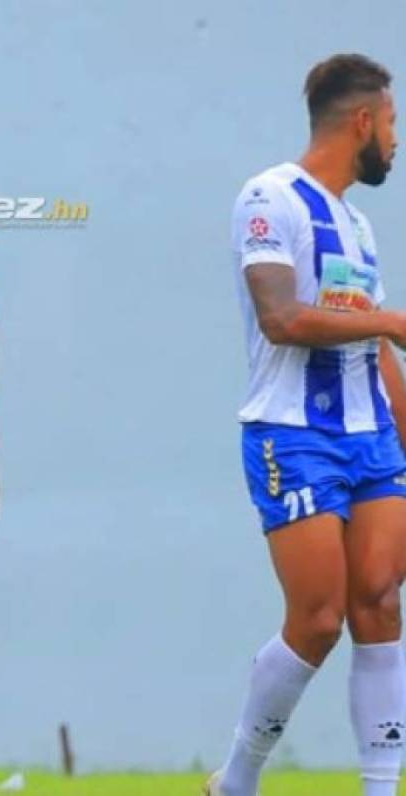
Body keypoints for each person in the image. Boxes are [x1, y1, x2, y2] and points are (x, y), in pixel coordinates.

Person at [206, 54, 406, 796]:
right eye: (391, 123)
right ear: (362, 123)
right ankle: (239, 778)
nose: (395, 139)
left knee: (381, 601)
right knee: (319, 620)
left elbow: (377, 350)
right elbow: (281, 318)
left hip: (370, 438)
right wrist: (388, 319)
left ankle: (382, 788)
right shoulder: (269, 198)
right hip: (292, 434)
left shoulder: (358, 225)